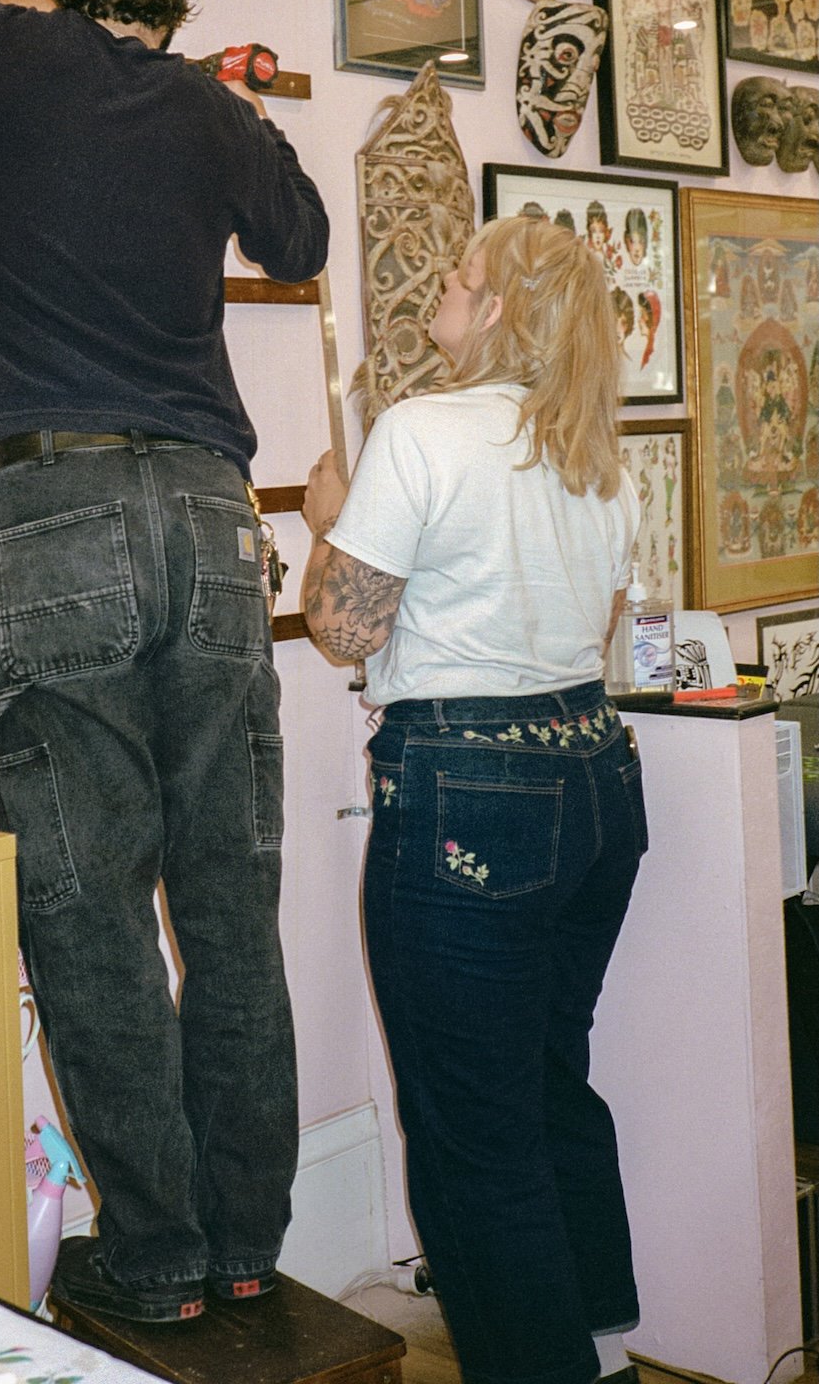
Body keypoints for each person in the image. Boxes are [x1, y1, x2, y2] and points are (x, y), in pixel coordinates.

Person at [0, 0, 328, 1325]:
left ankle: (161, 1259)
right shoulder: (208, 112)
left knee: (89, 911)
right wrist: (223, 99)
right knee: (230, 907)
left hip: (54, 506)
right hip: (211, 510)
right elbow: (302, 241)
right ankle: (246, 1244)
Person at [301, 215, 644, 1384]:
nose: (437, 296)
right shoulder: (595, 453)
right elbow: (597, 626)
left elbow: (343, 629)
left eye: (458, 281)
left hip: (471, 794)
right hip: (594, 775)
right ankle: (597, 1349)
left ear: (497, 310)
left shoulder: (421, 432)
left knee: (469, 1132)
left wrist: (329, 520)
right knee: (545, 1080)